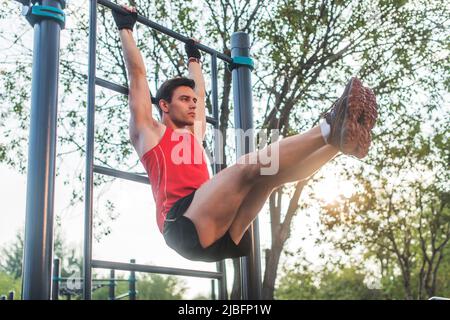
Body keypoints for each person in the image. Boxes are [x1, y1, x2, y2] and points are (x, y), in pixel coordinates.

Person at [112, 6, 378, 262]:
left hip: (221, 227)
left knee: (271, 176)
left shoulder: (193, 136)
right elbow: (138, 76)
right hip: (183, 224)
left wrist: (194, 58)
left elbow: (201, 92)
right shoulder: (149, 133)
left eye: (193, 100)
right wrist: (125, 27)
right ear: (164, 106)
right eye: (184, 99)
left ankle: (337, 143)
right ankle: (330, 127)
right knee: (247, 168)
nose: (193, 104)